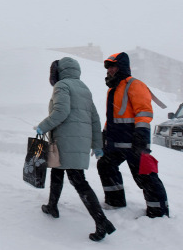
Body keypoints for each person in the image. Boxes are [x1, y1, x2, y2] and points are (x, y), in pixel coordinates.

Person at [35, 57, 116, 242]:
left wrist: (42, 126)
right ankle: (52, 206)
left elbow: (61, 112)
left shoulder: (62, 86)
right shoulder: (84, 88)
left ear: (59, 71)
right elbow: (95, 118)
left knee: (78, 180)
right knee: (58, 171)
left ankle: (101, 221)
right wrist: (97, 145)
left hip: (66, 140)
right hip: (77, 141)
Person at [96, 52, 169, 218]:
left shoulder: (134, 85)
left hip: (134, 142)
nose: (110, 70)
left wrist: (141, 138)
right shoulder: (113, 89)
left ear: (121, 67)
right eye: (108, 67)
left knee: (145, 175)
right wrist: (104, 135)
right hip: (116, 143)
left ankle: (158, 212)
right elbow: (113, 117)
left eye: (113, 66)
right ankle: (115, 202)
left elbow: (143, 112)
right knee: (105, 166)